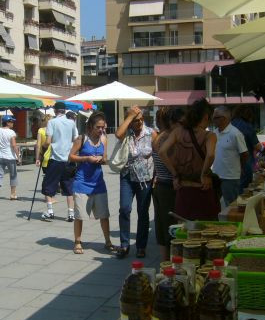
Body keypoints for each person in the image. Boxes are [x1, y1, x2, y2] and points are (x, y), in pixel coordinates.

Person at [160, 99, 220, 221]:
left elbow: (161, 152)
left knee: (183, 232)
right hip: (202, 190)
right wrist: (204, 174)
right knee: (207, 232)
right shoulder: (209, 136)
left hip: (183, 190)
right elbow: (210, 155)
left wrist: (175, 174)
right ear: (206, 116)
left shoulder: (177, 132)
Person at [68, 111, 114, 254]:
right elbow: (70, 156)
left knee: (104, 215)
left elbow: (105, 157)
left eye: (103, 127)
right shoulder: (81, 139)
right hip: (82, 182)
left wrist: (102, 159)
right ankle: (78, 241)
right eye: (98, 127)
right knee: (80, 216)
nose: (101, 130)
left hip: (98, 182)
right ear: (90, 127)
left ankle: (108, 241)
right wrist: (86, 158)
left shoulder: (104, 139)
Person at [115, 106, 156, 259]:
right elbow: (117, 134)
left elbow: (157, 155)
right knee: (124, 209)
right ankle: (124, 244)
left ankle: (141, 246)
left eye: (140, 120)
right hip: (127, 175)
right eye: (135, 120)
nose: (139, 123)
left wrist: (157, 175)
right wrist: (129, 116)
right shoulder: (127, 132)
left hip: (145, 178)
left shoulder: (151, 133)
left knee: (143, 212)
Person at [151, 107, 184, 262]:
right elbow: (168, 159)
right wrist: (176, 173)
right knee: (171, 226)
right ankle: (169, 262)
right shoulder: (169, 138)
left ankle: (165, 262)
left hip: (160, 185)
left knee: (162, 226)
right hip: (169, 186)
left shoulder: (158, 137)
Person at [41, 101, 78, 221]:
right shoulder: (71, 123)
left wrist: (42, 149)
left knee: (48, 185)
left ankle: (50, 210)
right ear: (65, 110)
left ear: (55, 111)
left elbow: (48, 141)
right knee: (69, 187)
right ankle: (71, 213)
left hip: (56, 158)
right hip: (68, 159)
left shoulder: (52, 122)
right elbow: (75, 139)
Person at [212, 106, 248, 206]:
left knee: (231, 205)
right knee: (215, 204)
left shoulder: (235, 133)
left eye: (215, 117)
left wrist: (240, 168)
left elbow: (244, 154)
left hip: (230, 177)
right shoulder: (214, 133)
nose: (213, 120)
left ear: (224, 118)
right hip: (216, 176)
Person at [231, 105, 262, 192]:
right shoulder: (247, 126)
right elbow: (257, 146)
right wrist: (264, 146)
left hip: (230, 164)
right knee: (243, 191)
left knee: (233, 191)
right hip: (245, 163)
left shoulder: (229, 125)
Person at [0, 115, 19, 202]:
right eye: (11, 122)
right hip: (9, 156)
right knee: (13, 175)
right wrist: (18, 156)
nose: (13, 123)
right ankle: (13, 194)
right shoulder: (11, 133)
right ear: (7, 122)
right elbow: (14, 145)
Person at [35, 114, 54, 205]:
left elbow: (38, 145)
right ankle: (48, 197)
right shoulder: (54, 131)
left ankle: (48, 197)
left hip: (44, 157)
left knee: (47, 177)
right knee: (51, 178)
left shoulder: (41, 130)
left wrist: (37, 157)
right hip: (53, 157)